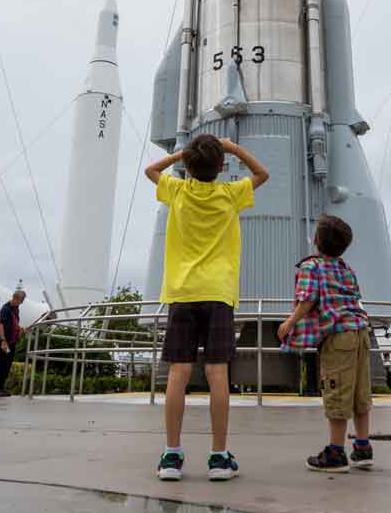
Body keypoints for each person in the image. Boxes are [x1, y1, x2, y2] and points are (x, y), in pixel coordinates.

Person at [144, 135, 268, 483]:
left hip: (182, 292)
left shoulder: (177, 191)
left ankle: (171, 455)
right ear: (220, 167)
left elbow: (150, 170)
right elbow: (263, 174)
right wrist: (232, 148)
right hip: (218, 292)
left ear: (188, 165)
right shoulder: (230, 194)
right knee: (217, 374)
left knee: (178, 373)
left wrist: (183, 153)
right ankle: (218, 456)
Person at [277, 215, 374, 473]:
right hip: (361, 332)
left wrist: (289, 323)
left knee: (337, 392)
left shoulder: (312, 267)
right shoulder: (346, 268)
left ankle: (335, 452)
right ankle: (363, 448)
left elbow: (308, 299)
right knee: (360, 393)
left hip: (338, 335)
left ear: (317, 241)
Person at [0, 289, 25, 397]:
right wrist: (3, 341)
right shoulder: (6, 309)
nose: (20, 303)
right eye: (20, 301)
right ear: (16, 298)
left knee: (7, 365)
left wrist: (20, 329)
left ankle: (1, 388)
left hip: (12, 342)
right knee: (1, 364)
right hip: (5, 342)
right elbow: (1, 325)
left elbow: (14, 323)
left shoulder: (15, 309)